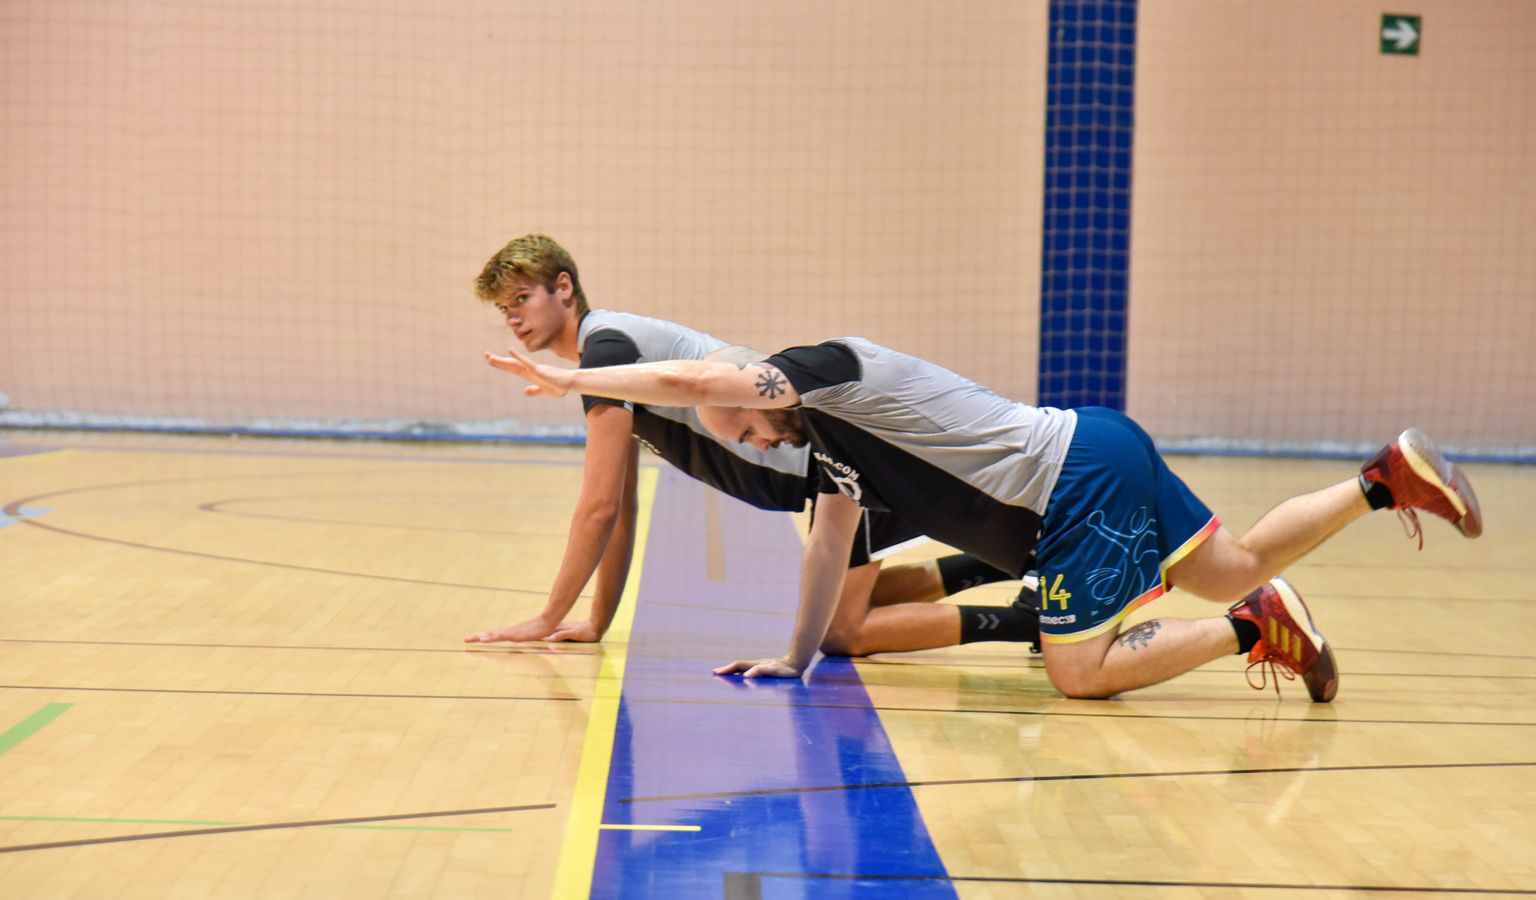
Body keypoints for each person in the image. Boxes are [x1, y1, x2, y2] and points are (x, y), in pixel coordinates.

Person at [483, 335, 1484, 700]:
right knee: (1235, 559)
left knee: (1077, 675)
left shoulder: (827, 374)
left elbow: (698, 371)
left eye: (739, 424)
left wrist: (573, 375)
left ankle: (1252, 628)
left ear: (765, 392)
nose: (742, 440)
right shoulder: (828, 455)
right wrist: (793, 658)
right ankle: (1383, 480)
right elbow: (829, 551)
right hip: (1098, 456)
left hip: (1073, 483)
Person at [463, 235, 1037, 655]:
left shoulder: (607, 350)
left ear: (564, 288)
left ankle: (1031, 621)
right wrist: (594, 622)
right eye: (503, 309)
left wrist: (548, 617)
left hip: (839, 467)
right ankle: (995, 566)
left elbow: (599, 508)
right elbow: (620, 505)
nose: (513, 318)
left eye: (522, 298)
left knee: (843, 631)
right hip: (826, 477)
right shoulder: (610, 353)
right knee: (851, 603)